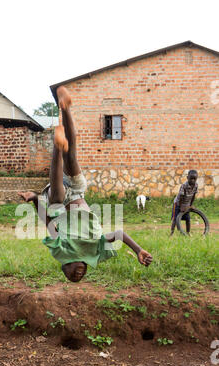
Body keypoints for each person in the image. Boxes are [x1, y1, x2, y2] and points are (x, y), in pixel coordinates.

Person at [18, 86, 152, 282]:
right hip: (79, 193)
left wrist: (34, 200)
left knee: (56, 198)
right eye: (80, 277)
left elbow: (47, 222)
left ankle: (57, 145)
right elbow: (119, 234)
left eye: (72, 276)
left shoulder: (61, 250)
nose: (78, 276)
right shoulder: (95, 249)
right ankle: (65, 107)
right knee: (71, 157)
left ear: (65, 267)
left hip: (60, 201)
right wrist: (138, 250)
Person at [170, 170, 198, 236]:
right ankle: (172, 233)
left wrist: (191, 205)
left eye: (195, 179)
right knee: (175, 219)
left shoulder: (196, 185)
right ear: (187, 177)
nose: (193, 180)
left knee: (188, 219)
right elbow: (180, 197)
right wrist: (180, 206)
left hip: (187, 205)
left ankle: (188, 233)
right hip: (178, 203)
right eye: (191, 178)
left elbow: (193, 196)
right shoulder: (184, 186)